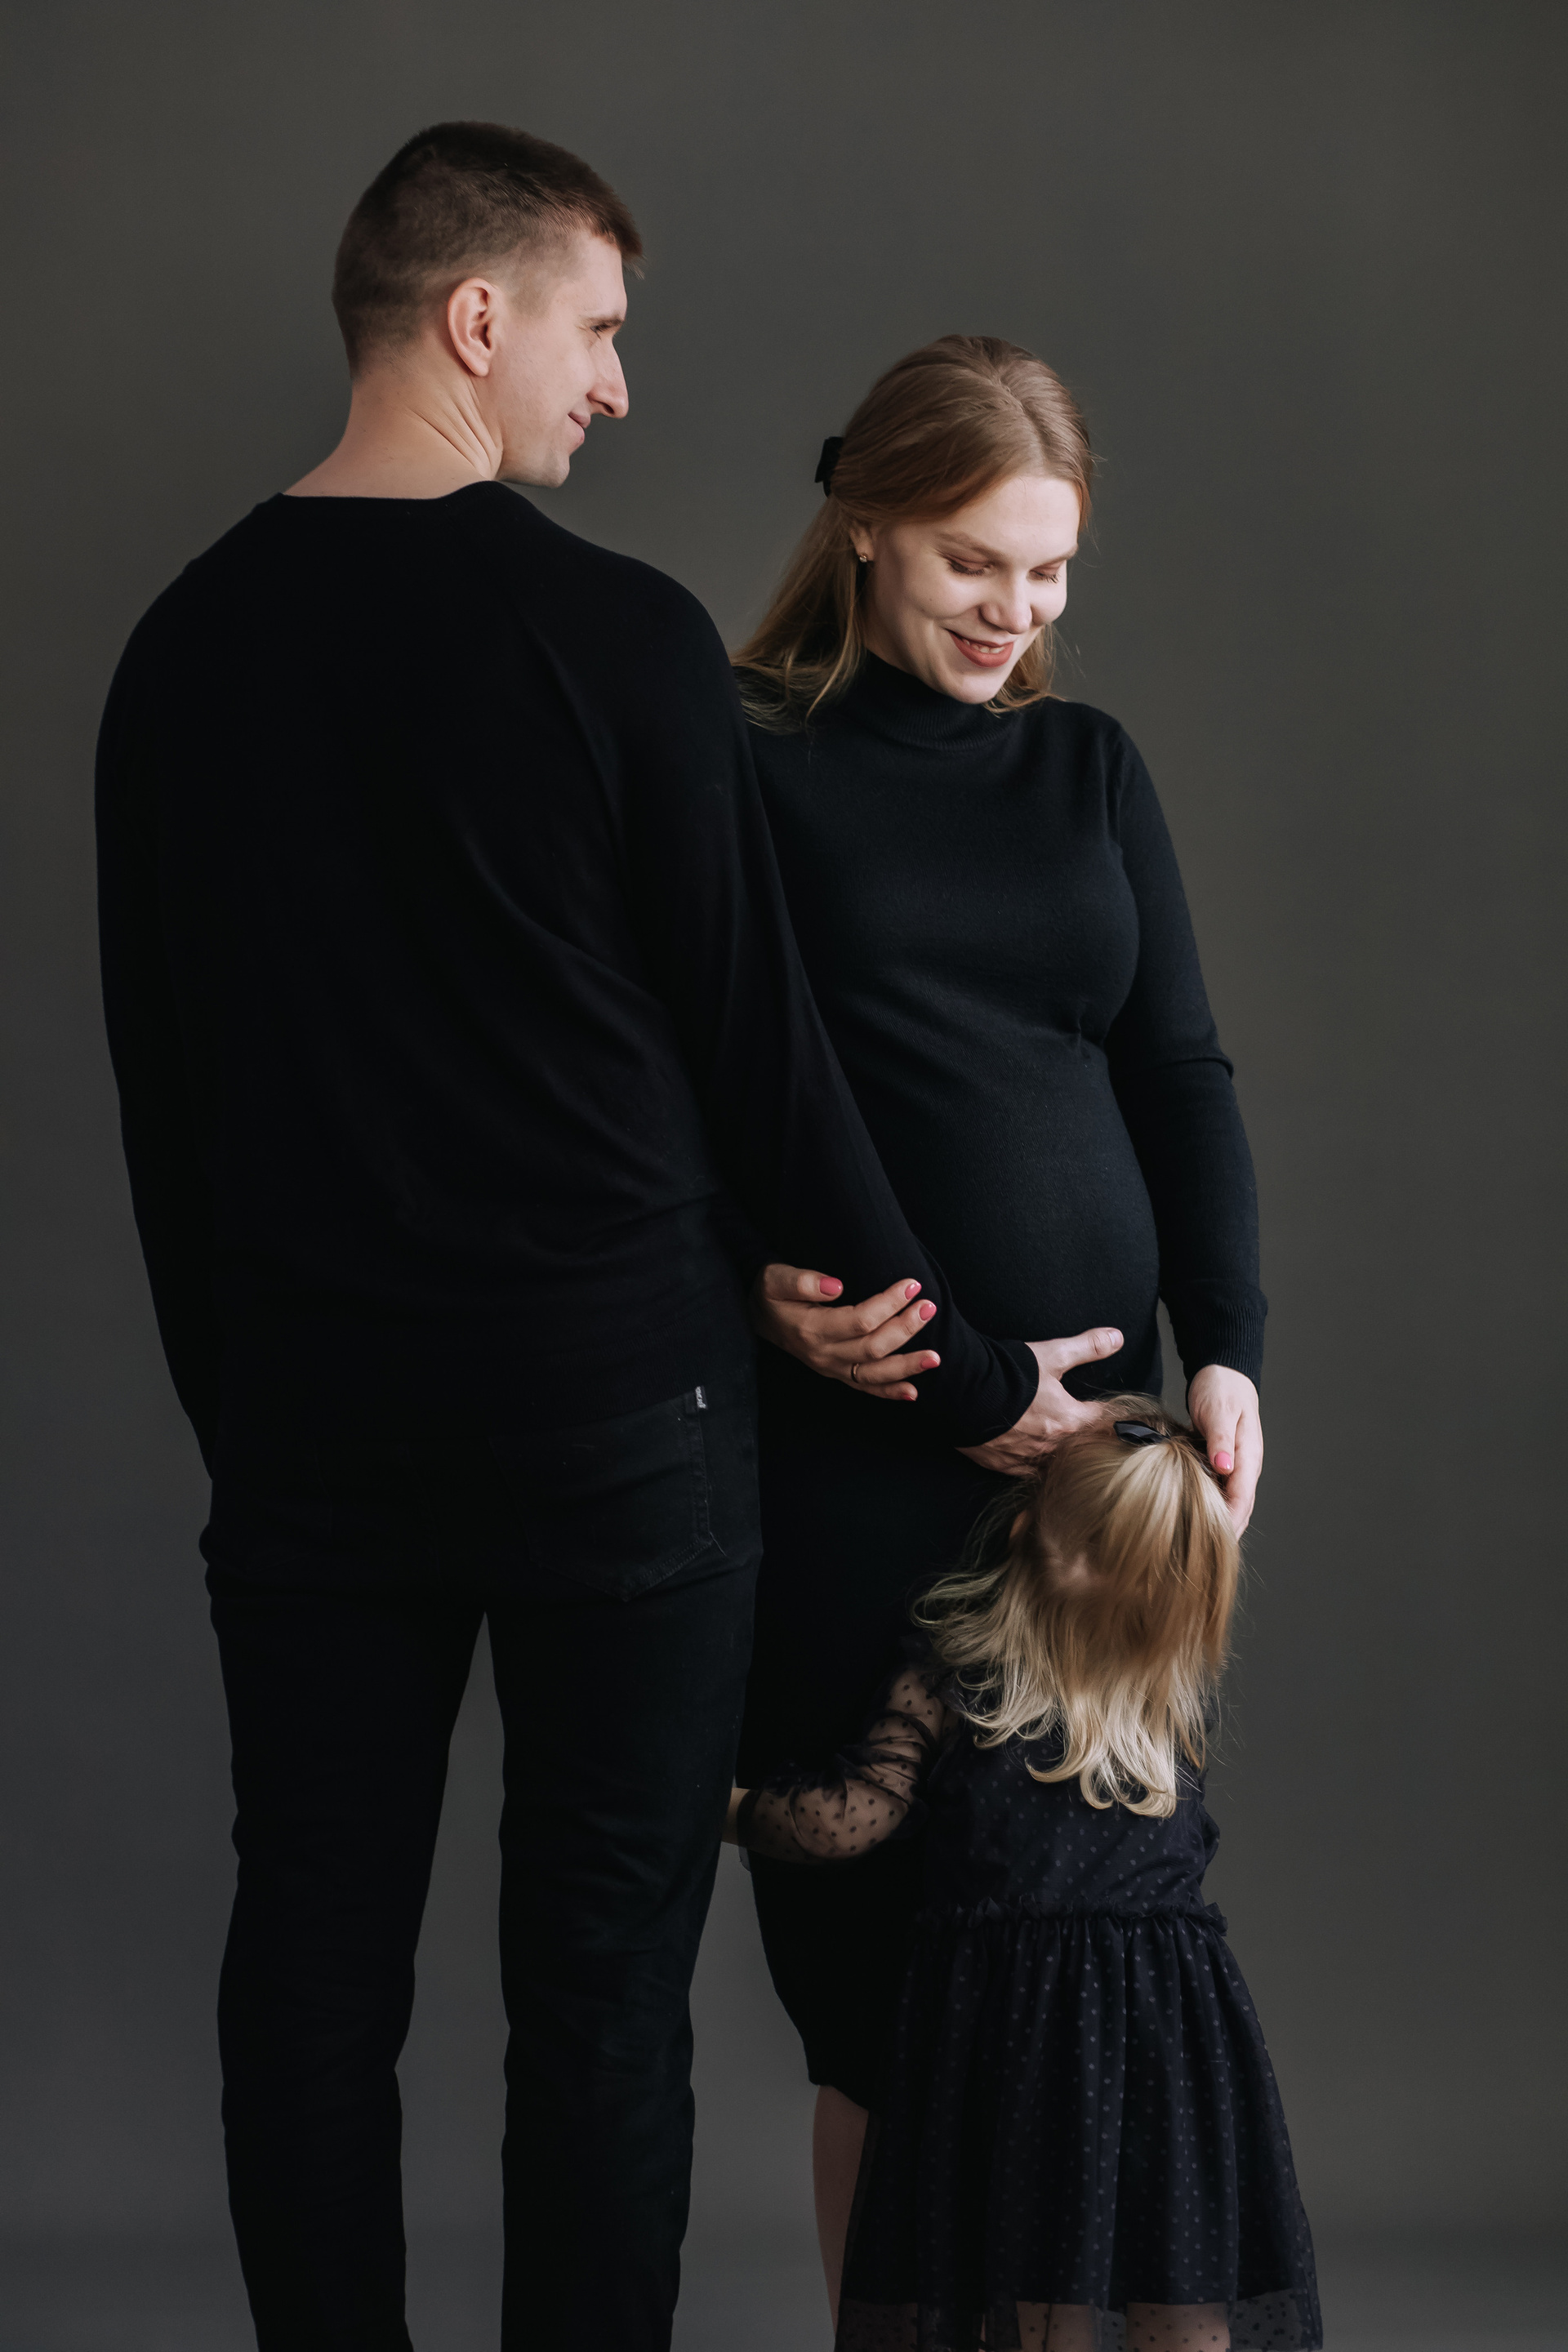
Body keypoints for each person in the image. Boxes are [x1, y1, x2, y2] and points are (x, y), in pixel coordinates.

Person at [94, 130, 1084, 2352]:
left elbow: (167, 1110)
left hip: (317, 1441)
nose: (617, 385)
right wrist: (971, 1377)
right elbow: (768, 1068)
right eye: (599, 328)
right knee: (605, 1990)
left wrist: (253, 1423)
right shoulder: (619, 636)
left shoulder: (178, 650)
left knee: (311, 1963)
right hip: (625, 1427)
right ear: (479, 319)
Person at [731, 336, 1269, 2280]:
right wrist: (804, 1318)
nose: (1012, 612)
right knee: (878, 2003)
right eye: (974, 561)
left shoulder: (1086, 765)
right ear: (865, 521)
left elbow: (1178, 1069)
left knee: (1085, 1968)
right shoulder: (751, 759)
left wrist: (1229, 1345)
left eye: (1047, 572)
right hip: (864, 1457)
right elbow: (712, 1096)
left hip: (1092, 1483)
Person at [725, 1405, 1320, 2352]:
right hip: (1163, 2042)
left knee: (1036, 2269)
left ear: (1021, 1526)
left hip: (1013, 2035)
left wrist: (710, 1806)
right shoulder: (1170, 1699)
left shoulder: (956, 1676)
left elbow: (849, 1818)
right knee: (1173, 2259)